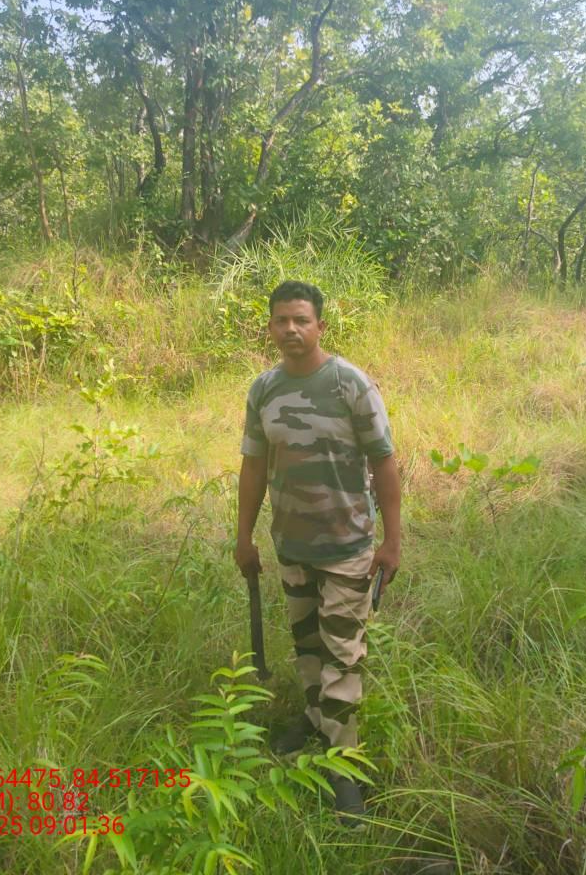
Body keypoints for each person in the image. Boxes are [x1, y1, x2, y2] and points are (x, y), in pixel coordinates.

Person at [234, 279, 401, 822]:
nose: (291, 329)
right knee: (307, 644)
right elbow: (253, 466)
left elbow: (384, 462)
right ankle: (314, 721)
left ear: (320, 326)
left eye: (301, 320)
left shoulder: (351, 384)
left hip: (348, 545)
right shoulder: (263, 390)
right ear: (270, 327)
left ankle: (343, 765)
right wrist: (243, 536)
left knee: (343, 655)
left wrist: (392, 541)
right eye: (281, 320)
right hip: (292, 544)